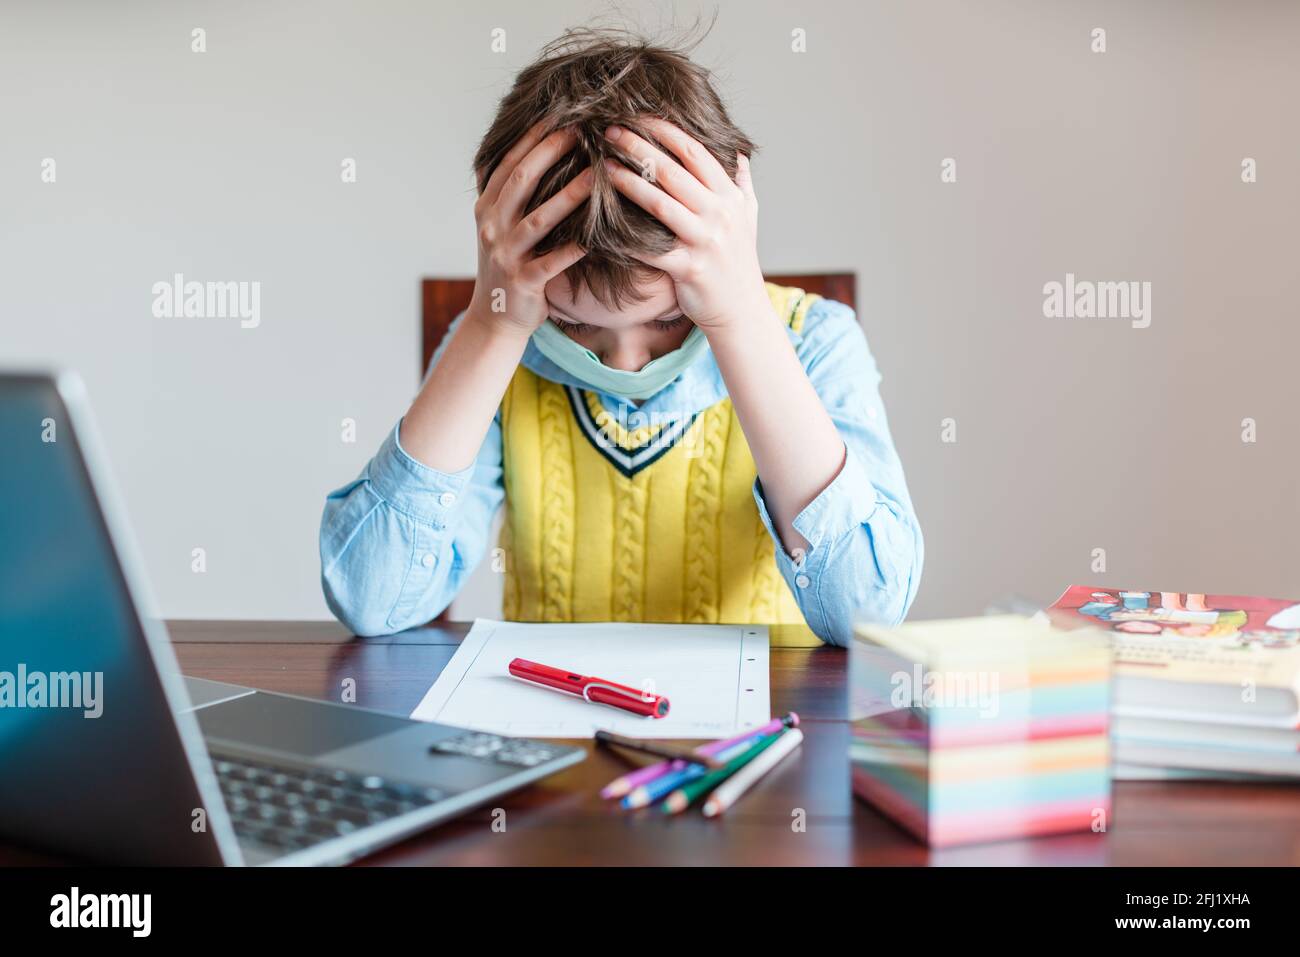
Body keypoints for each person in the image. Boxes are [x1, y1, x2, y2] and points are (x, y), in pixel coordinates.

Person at [319, 29, 923, 645]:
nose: (627, 360)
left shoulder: (812, 339)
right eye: (574, 324)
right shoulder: (502, 344)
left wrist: (740, 316)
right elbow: (373, 600)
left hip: (757, 729)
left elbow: (864, 615)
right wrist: (492, 324)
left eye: (667, 321)